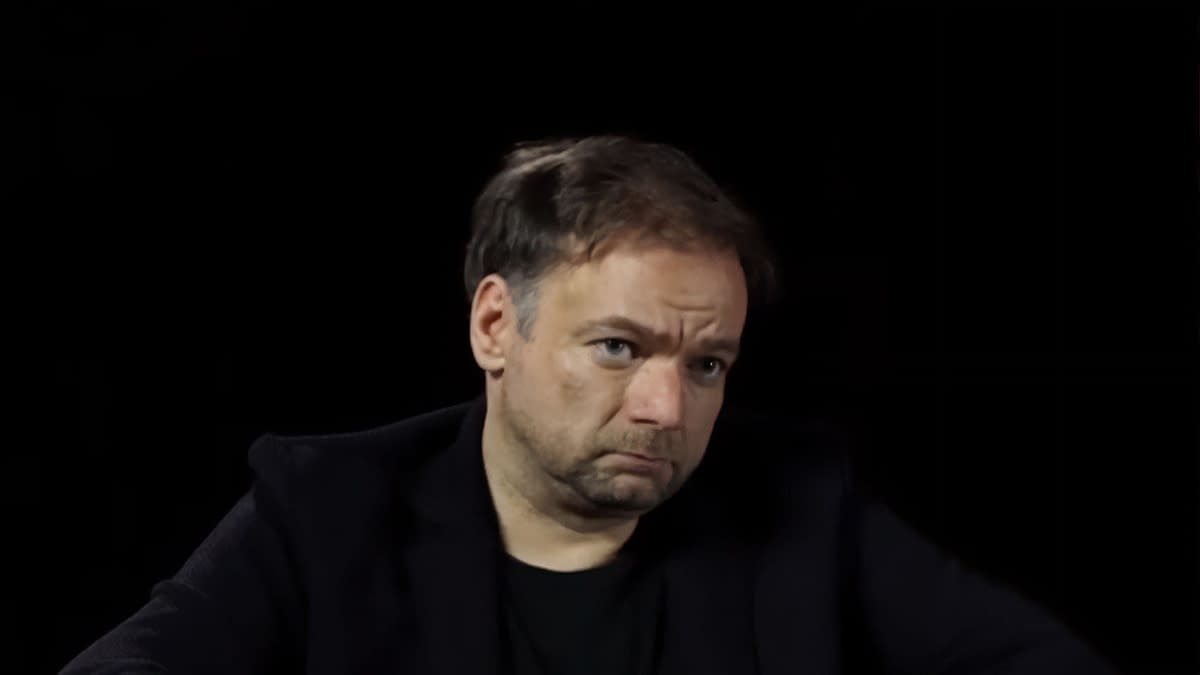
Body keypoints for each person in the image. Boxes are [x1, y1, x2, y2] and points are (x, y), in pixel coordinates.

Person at [61, 135, 1119, 674]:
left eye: (708, 365)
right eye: (618, 347)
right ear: (493, 329)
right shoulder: (326, 503)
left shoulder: (798, 500)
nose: (666, 406)